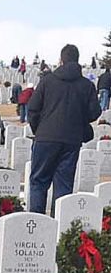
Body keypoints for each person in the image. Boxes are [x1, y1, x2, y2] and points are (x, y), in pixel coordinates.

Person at [26, 44, 99, 215]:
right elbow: (94, 112)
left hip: (45, 138)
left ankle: (36, 223)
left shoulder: (47, 81)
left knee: (38, 181)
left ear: (61, 60)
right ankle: (58, 224)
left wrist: (39, 129)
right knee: (64, 185)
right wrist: (78, 121)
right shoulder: (86, 85)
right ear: (77, 61)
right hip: (71, 140)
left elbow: (33, 109)